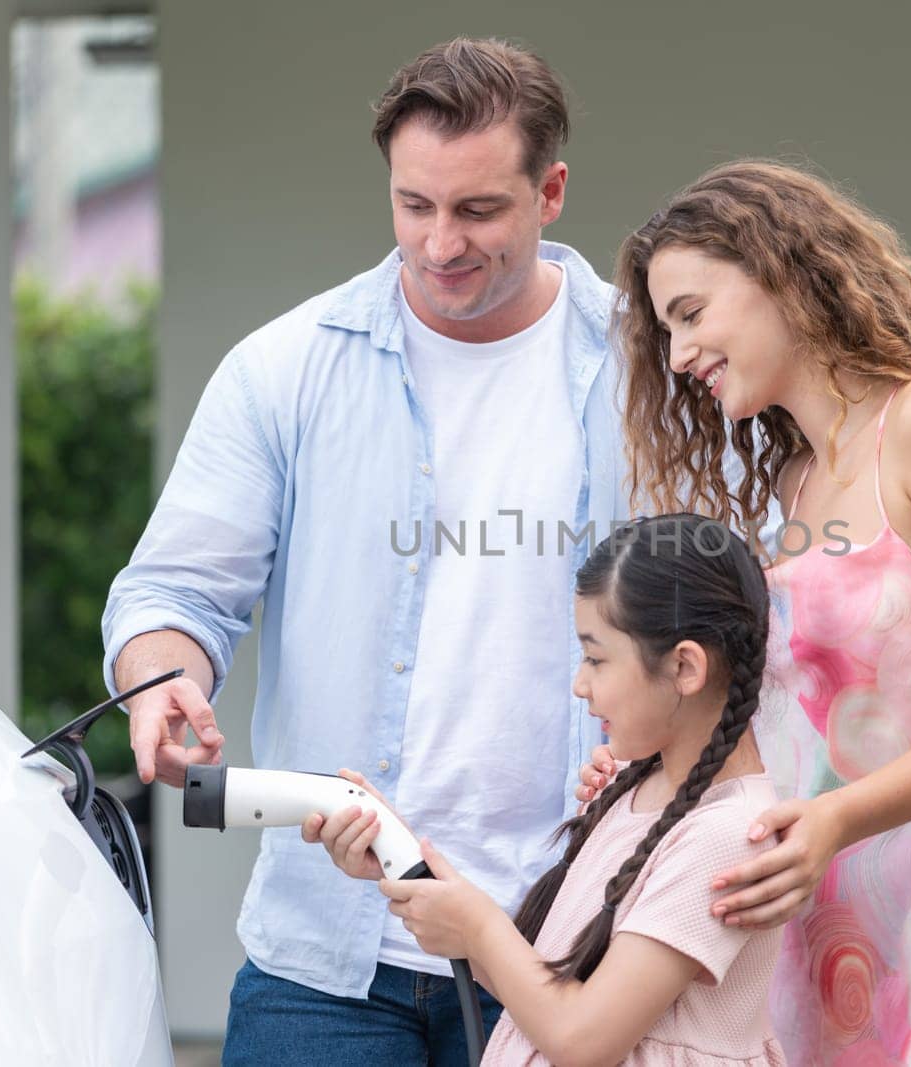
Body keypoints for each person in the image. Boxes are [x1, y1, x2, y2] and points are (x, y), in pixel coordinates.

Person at [102, 37, 629, 1064]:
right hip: (330, 964)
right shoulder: (285, 367)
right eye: (413, 205)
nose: (439, 244)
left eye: (478, 210)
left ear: (551, 189)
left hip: (575, 946)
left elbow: (743, 613)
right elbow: (174, 588)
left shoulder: (650, 369)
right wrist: (159, 676)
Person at [579, 160, 911, 1064]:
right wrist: (648, 766)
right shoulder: (791, 481)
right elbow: (794, 726)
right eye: (666, 331)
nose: (682, 353)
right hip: (803, 929)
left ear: (780, 270)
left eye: (691, 313)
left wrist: (841, 820)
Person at [315, 516, 787, 1065]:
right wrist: (407, 866)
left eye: (596, 658)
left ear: (685, 666)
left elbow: (582, 1039)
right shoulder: (634, 792)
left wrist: (479, 926)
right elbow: (541, 996)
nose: (580, 684)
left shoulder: (726, 836)